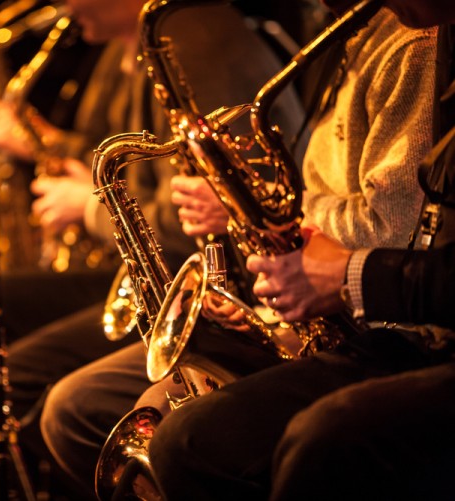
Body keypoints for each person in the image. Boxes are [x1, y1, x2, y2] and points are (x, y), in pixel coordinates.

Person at [43, 0, 443, 498]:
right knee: (89, 406)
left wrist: (263, 213)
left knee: (177, 437)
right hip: (312, 304)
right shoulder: (352, 36)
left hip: (373, 325)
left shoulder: (412, 39)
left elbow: (395, 228)